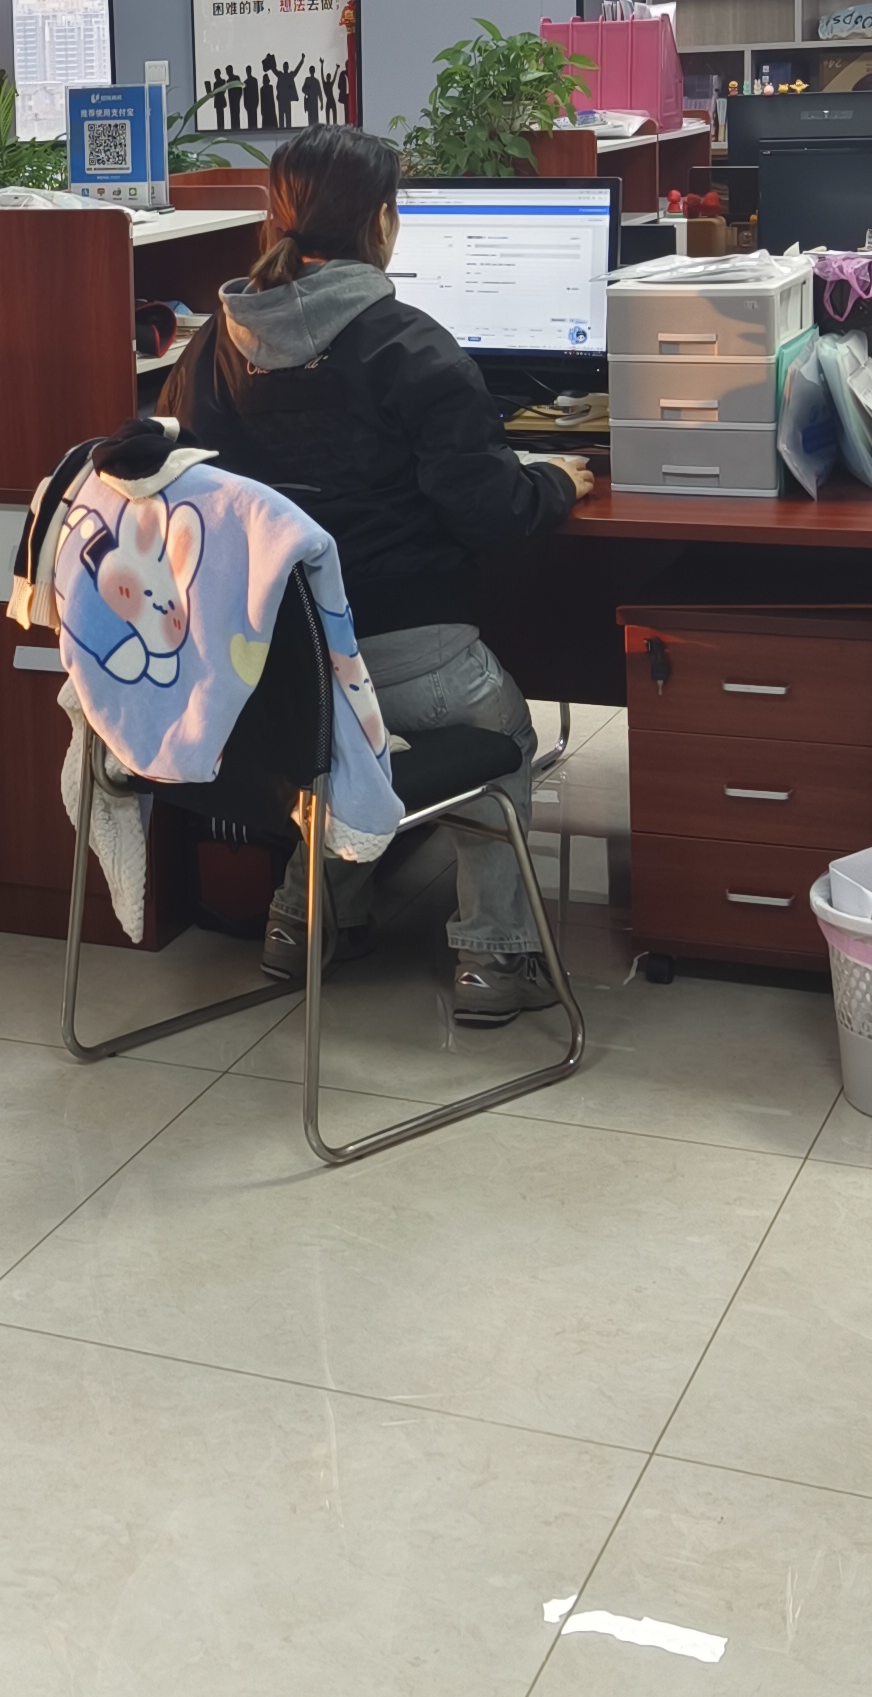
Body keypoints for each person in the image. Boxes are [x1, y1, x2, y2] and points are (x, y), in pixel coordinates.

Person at [160, 125, 591, 1024]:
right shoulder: (409, 346)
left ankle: (302, 924)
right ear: (384, 225)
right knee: (504, 737)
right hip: (402, 659)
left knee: (327, 736)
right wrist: (557, 480)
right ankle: (494, 959)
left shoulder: (212, 349)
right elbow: (491, 512)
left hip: (267, 671)